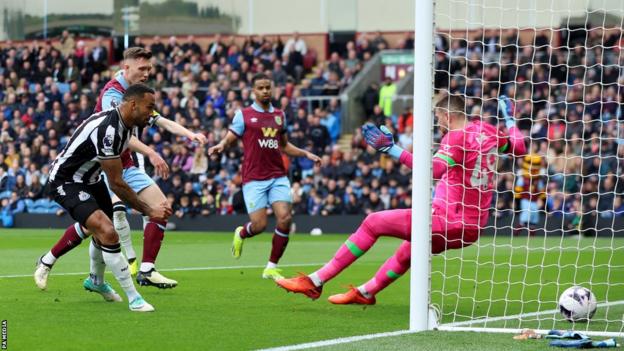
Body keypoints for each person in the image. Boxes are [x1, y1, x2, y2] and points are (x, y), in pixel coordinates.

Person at [275, 94, 527, 304]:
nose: (438, 124)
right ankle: (365, 292)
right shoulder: (488, 131)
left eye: (438, 118)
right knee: (409, 249)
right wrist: (510, 118)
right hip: (472, 228)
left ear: (448, 116)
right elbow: (520, 148)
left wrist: (392, 149)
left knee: (373, 222)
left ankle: (315, 281)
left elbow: (433, 171)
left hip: (449, 220)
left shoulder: (456, 137)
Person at [34, 47, 206, 291]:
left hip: (126, 163)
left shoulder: (140, 96)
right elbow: (118, 134)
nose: (147, 73)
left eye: (149, 69)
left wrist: (191, 134)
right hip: (105, 164)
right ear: (126, 68)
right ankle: (59, 264)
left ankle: (145, 270)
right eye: (142, 69)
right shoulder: (113, 94)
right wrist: (150, 151)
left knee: (158, 208)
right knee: (102, 225)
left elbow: (159, 120)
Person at [36, 84, 172, 312]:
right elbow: (117, 183)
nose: (152, 113)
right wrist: (149, 210)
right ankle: (134, 298)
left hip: (92, 178)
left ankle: (93, 281)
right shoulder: (109, 130)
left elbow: (115, 178)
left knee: (99, 231)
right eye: (150, 107)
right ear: (133, 105)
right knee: (107, 230)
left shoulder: (127, 124)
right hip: (66, 180)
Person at [208, 73, 321, 281]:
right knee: (259, 226)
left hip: (278, 175)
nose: (265, 91)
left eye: (268, 87)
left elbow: (285, 145)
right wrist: (221, 145)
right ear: (254, 91)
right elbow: (231, 137)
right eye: (260, 88)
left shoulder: (279, 115)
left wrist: (306, 154)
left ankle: (271, 266)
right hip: (253, 177)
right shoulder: (244, 115)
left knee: (285, 218)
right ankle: (242, 234)